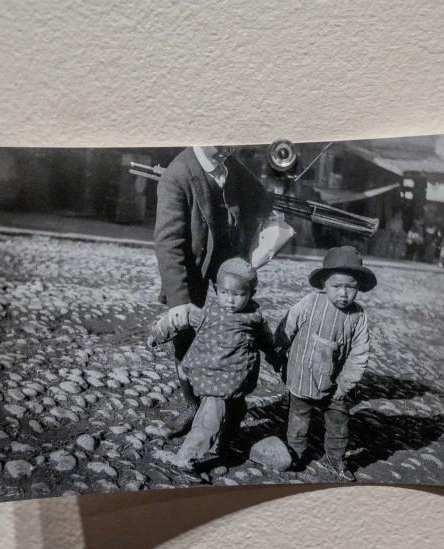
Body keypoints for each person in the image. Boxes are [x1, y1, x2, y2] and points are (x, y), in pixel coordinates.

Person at [152, 146, 271, 439]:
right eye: (223, 140)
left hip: (229, 267)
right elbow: (168, 243)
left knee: (236, 333)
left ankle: (230, 408)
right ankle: (192, 405)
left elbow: (261, 198)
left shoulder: (230, 163)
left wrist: (262, 225)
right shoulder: (177, 175)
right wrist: (179, 302)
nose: (230, 146)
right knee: (185, 343)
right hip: (191, 269)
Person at [147, 258, 279, 470]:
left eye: (238, 295)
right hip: (213, 378)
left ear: (251, 294)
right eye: (224, 293)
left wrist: (276, 358)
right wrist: (159, 333)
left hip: (238, 379)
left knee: (237, 412)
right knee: (208, 419)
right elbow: (181, 319)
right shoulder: (209, 311)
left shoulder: (255, 318)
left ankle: (224, 446)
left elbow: (268, 342)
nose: (230, 300)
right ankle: (185, 457)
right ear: (217, 289)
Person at [275, 246, 374, 482]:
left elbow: (360, 353)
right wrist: (278, 351)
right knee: (299, 417)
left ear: (358, 287)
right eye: (336, 286)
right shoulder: (310, 302)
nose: (343, 293)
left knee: (339, 421)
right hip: (303, 374)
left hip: (335, 382)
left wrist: (346, 384)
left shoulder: (358, 317)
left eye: (350, 287)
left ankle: (335, 458)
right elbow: (288, 325)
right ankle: (296, 452)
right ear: (324, 284)